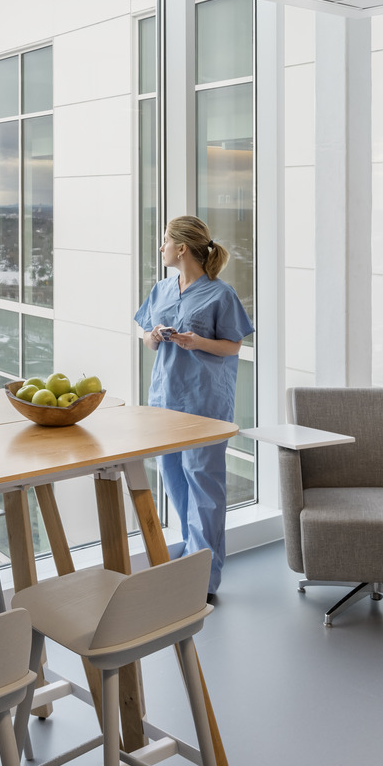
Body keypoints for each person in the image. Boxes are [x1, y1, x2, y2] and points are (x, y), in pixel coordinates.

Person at [134, 215, 254, 600]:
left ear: (181, 248)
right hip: (166, 400)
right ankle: (190, 565)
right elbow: (144, 336)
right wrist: (152, 336)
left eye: (165, 241)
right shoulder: (162, 288)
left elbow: (233, 345)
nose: (161, 247)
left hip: (205, 401)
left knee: (204, 487)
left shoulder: (220, 294)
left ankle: (204, 580)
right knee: (175, 481)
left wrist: (197, 342)